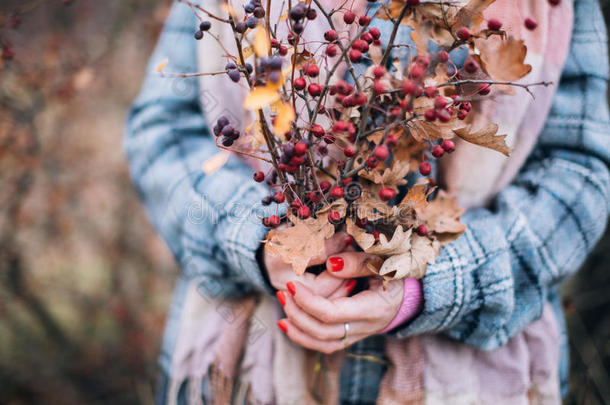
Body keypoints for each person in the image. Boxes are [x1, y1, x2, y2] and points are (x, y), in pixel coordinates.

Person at [125, 0, 610, 403]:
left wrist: (427, 287)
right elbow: (162, 136)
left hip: (469, 381)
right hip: (251, 366)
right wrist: (263, 242)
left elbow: (578, 178)